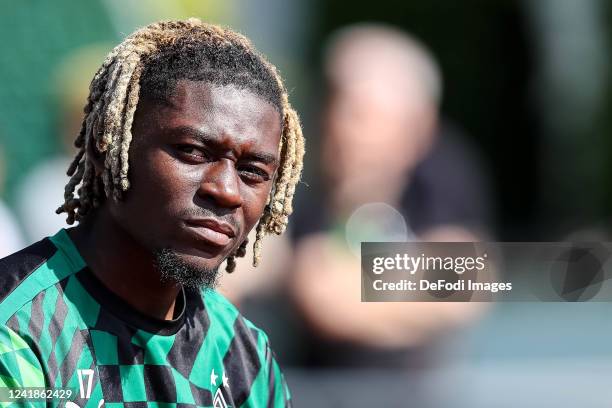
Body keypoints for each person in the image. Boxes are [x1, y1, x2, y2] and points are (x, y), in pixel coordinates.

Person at [0, 18, 304, 408]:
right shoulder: (19, 328)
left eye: (252, 172)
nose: (226, 191)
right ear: (107, 146)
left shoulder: (241, 352)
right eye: (193, 152)